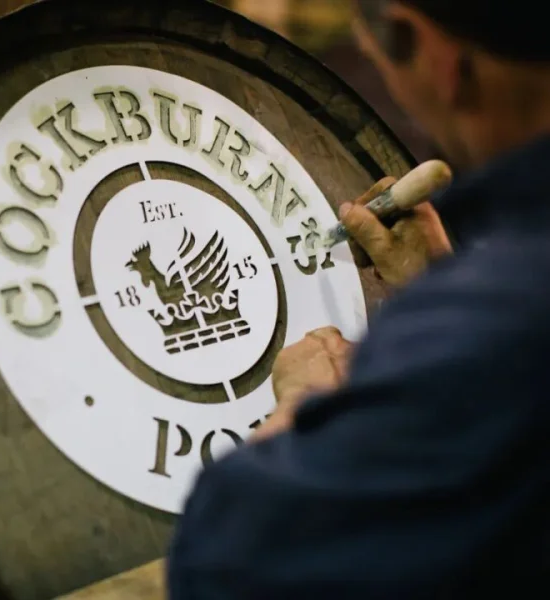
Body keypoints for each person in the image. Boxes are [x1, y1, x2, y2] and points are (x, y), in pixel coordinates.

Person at [167, 0, 550, 597]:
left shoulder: (503, 315)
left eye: (372, 40)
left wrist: (306, 408)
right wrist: (441, 287)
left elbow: (230, 558)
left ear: (437, 58)